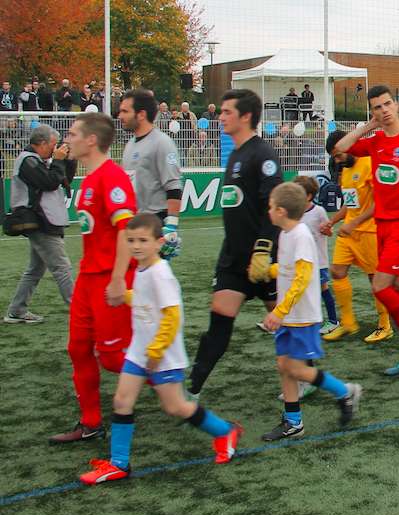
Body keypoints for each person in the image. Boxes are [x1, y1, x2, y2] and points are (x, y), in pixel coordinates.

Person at [77, 214, 242, 485]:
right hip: (139, 351)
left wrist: (156, 350)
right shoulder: (142, 269)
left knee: (176, 406)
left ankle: (225, 432)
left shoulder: (160, 272)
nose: (137, 246)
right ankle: (118, 463)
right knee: (122, 401)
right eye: (131, 241)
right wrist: (126, 297)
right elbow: (145, 301)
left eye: (143, 240)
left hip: (162, 354)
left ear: (158, 242)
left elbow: (172, 316)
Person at [187, 89, 284, 399]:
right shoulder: (235, 153)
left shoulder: (262, 154)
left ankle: (306, 375)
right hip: (233, 259)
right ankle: (193, 387)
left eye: (227, 111)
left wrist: (263, 250)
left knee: (286, 325)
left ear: (245, 117)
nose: (221, 116)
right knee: (219, 322)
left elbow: (276, 208)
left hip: (264, 260)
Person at [48, 113, 137, 444]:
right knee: (78, 348)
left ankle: (169, 382)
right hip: (88, 278)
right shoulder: (89, 178)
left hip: (109, 278)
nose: (66, 139)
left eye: (72, 134)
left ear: (91, 140)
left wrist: (118, 279)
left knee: (113, 357)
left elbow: (127, 231)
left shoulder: (112, 178)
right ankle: (90, 423)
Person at [335, 85, 399, 379]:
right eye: (377, 107)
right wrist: (369, 126)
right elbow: (342, 147)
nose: (384, 110)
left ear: (397, 104)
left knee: (380, 286)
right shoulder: (376, 141)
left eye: (387, 104)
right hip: (381, 224)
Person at [258, 182, 362, 441]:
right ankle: (293, 421)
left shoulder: (301, 235)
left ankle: (345, 391)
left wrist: (279, 312)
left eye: (271, 206)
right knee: (284, 365)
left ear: (281, 211)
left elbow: (303, 278)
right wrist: (268, 271)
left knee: (296, 369)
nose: (268, 211)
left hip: (301, 316)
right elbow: (288, 269)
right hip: (289, 316)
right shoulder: (285, 234)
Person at [319, 131, 393, 344]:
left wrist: (354, 223)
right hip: (349, 233)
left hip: (370, 232)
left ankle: (384, 326)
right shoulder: (346, 171)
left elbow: (380, 203)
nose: (336, 159)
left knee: (375, 280)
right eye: (333, 157)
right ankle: (348, 322)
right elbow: (349, 204)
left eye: (337, 154)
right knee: (337, 271)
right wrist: (332, 222)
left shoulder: (370, 164)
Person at [5, 124, 75, 324]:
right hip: (40, 221)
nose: (55, 149)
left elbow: (63, 179)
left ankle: (16, 310)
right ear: (42, 143)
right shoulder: (28, 161)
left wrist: (69, 160)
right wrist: (59, 161)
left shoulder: (40, 160)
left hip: (45, 221)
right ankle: (80, 310)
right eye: (53, 145)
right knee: (62, 268)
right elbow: (49, 182)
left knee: (35, 269)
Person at [119, 89, 183, 259]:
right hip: (136, 223)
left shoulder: (162, 143)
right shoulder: (130, 145)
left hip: (155, 222)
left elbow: (174, 187)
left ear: (141, 114)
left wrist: (171, 227)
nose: (120, 116)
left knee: (155, 278)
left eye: (125, 111)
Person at [294, 176, 338, 334]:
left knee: (322, 289)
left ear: (308, 196)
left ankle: (333, 321)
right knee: (302, 290)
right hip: (300, 261)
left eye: (297, 192)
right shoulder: (295, 213)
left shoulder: (319, 211)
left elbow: (329, 231)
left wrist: (326, 229)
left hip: (318, 261)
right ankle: (306, 321)